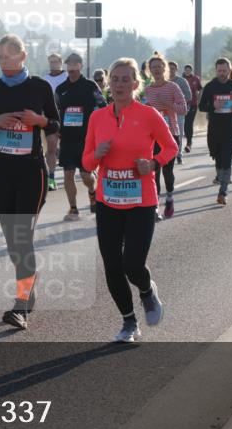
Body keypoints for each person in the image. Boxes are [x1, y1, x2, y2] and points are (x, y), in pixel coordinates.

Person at [82, 58, 177, 343]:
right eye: (115, 79)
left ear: (136, 85)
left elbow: (170, 146)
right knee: (112, 265)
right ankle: (128, 322)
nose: (120, 84)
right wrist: (97, 153)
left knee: (132, 264)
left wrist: (153, 162)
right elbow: (86, 163)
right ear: (109, 85)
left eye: (126, 80)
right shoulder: (97, 118)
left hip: (141, 201)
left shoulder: (148, 115)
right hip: (108, 201)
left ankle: (147, 292)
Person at [0, 34, 60, 330]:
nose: (2, 61)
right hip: (2, 172)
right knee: (13, 240)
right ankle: (29, 285)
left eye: (7, 56)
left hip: (31, 172)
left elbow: (55, 123)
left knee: (22, 235)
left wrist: (40, 122)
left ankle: (21, 303)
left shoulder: (39, 87)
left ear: (22, 56)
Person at [55, 52, 105, 220]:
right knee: (68, 174)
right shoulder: (60, 89)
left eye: (75, 66)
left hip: (86, 139)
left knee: (86, 176)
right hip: (67, 139)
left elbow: (102, 105)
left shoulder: (90, 86)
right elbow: (53, 111)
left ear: (80, 66)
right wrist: (55, 129)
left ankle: (92, 191)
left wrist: (96, 125)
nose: (72, 69)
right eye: (69, 66)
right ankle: (73, 208)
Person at [143, 54, 188, 219]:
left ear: (164, 69)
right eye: (153, 67)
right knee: (154, 171)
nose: (156, 70)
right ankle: (154, 206)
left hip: (170, 133)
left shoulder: (173, 87)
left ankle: (169, 198)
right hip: (151, 135)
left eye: (159, 67)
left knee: (168, 171)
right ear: (149, 70)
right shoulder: (147, 90)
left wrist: (167, 104)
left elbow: (184, 109)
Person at [199, 58, 232, 205]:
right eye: (219, 71)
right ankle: (220, 175)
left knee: (227, 158)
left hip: (231, 127)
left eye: (225, 70)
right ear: (216, 70)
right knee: (217, 156)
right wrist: (213, 106)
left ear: (229, 70)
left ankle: (223, 192)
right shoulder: (210, 87)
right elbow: (201, 106)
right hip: (214, 128)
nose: (222, 73)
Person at [42, 53, 68, 191]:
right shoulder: (44, 79)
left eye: (55, 62)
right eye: (51, 62)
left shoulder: (67, 77)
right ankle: (51, 178)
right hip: (51, 117)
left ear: (61, 62)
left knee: (68, 149)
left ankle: (71, 174)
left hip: (67, 117)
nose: (53, 65)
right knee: (51, 148)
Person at [166, 60, 192, 163]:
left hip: (179, 112)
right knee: (166, 133)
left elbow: (189, 96)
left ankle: (179, 154)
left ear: (176, 70)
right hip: (166, 112)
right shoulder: (162, 81)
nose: (171, 70)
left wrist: (177, 99)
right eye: (169, 68)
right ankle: (168, 154)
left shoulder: (182, 81)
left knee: (179, 133)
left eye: (173, 69)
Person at [182, 64, 203, 154]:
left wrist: (199, 99)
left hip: (193, 104)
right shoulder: (181, 79)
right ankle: (184, 141)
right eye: (186, 70)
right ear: (184, 70)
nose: (188, 71)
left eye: (189, 70)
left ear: (191, 71)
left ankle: (189, 143)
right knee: (183, 124)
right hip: (182, 105)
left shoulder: (195, 79)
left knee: (189, 123)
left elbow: (200, 89)